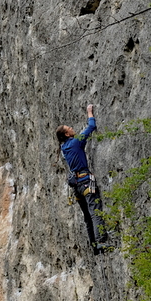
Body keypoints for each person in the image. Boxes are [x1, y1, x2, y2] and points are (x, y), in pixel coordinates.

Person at [56, 104, 108, 254]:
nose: (71, 128)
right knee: (95, 211)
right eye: (68, 128)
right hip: (85, 181)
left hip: (77, 186)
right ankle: (101, 242)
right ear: (67, 134)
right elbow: (91, 127)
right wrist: (89, 112)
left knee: (87, 217)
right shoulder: (76, 141)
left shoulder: (64, 148)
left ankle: (94, 247)